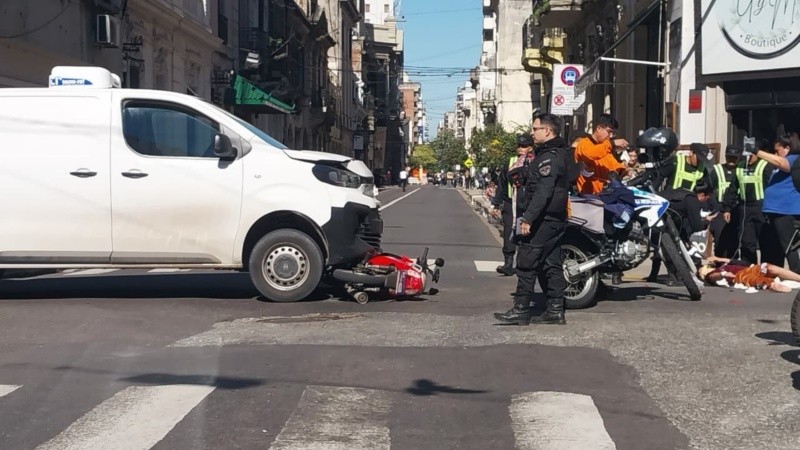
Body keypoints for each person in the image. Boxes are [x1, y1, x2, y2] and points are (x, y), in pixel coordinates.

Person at [494, 114, 571, 325]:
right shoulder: (552, 154)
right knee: (551, 262)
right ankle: (555, 309)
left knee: (527, 260)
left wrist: (528, 218)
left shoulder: (549, 158)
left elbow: (543, 192)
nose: (532, 132)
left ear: (547, 131)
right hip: (553, 218)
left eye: (535, 129)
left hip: (544, 218)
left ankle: (521, 309)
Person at [646, 142, 713, 282]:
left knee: (678, 242)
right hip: (669, 206)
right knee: (663, 239)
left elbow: (705, 188)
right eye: (698, 157)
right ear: (691, 153)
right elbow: (658, 178)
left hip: (685, 211)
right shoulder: (676, 162)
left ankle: (675, 272)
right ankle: (659, 273)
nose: (699, 162)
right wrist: (652, 197)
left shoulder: (702, 169)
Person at [722, 141, 774, 266]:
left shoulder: (764, 165)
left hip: (761, 208)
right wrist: (727, 208)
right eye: (746, 155)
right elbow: (733, 188)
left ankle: (766, 269)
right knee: (746, 241)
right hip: (745, 208)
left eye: (751, 155)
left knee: (765, 241)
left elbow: (772, 188)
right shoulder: (740, 167)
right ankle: (749, 268)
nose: (748, 158)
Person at [491, 134, 535, 276]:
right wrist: (496, 204)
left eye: (524, 146)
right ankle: (508, 263)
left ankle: (523, 264)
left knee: (524, 234)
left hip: (528, 205)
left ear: (531, 147)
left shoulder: (535, 161)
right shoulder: (511, 162)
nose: (520, 149)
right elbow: (501, 184)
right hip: (511, 203)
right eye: (519, 146)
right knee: (509, 231)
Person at [761, 134, 800, 272]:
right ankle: (776, 272)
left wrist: (757, 152)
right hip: (775, 211)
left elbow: (780, 163)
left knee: (788, 245)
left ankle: (797, 275)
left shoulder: (794, 159)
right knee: (774, 246)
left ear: (787, 148)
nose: (775, 154)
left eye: (777, 150)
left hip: (785, 211)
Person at [574, 114, 631, 195]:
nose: (610, 136)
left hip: (604, 194)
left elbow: (612, 164)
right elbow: (590, 154)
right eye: (609, 132)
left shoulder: (605, 146)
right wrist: (612, 144)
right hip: (587, 196)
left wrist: (622, 170)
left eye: (613, 133)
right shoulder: (583, 143)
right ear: (599, 128)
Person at [707, 145, 742, 258]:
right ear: (725, 156)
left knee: (735, 241)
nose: (731, 160)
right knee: (720, 240)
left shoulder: (741, 170)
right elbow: (708, 189)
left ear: (739, 157)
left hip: (737, 210)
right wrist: (714, 206)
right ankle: (719, 264)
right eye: (729, 157)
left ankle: (732, 264)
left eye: (734, 157)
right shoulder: (717, 170)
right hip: (720, 210)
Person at [698, 256, 800, 293]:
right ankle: (772, 285)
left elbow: (735, 261)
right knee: (750, 278)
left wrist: (718, 258)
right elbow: (713, 277)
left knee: (770, 268)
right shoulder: (710, 274)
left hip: (751, 268)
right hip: (738, 276)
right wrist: (723, 274)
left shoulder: (721, 265)